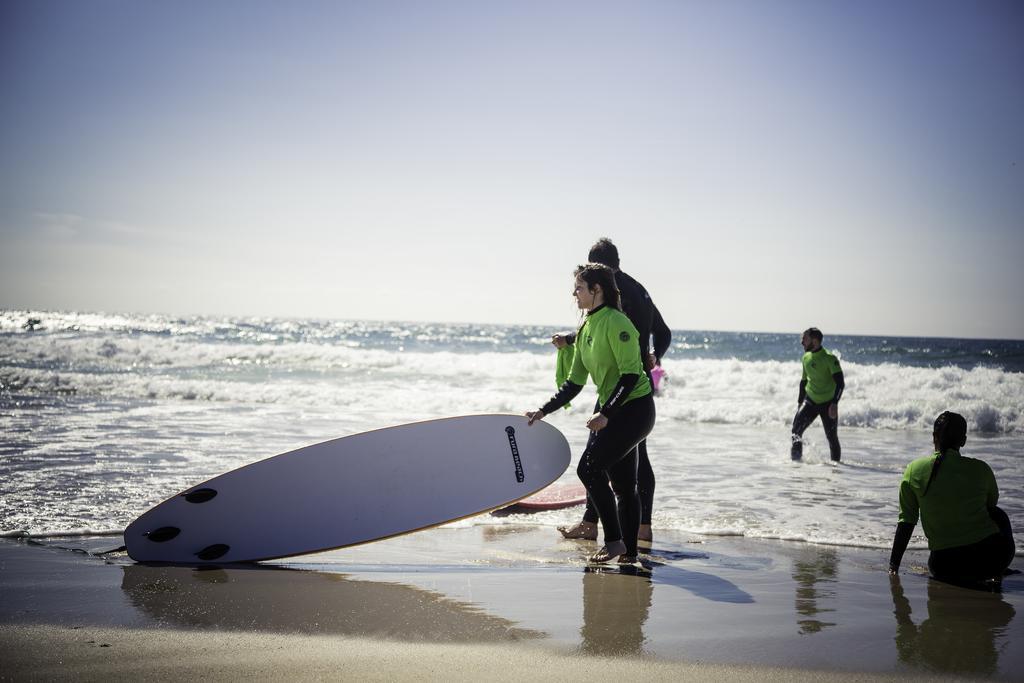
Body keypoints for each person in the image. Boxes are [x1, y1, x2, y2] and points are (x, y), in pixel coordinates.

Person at [527, 263, 655, 564]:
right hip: (614, 408)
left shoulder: (617, 323)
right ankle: (629, 554)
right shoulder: (587, 327)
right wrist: (544, 410)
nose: (575, 293)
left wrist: (607, 413)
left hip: (634, 409)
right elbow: (574, 383)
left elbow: (631, 376)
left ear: (596, 290)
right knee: (623, 486)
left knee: (589, 469)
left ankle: (613, 542)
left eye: (580, 288)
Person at [551, 238, 671, 544]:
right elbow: (664, 333)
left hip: (622, 385)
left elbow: (605, 326)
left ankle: (595, 526)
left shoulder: (615, 292)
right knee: (630, 456)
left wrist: (568, 338)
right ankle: (641, 527)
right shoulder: (639, 289)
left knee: (599, 458)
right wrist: (654, 355)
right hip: (638, 382)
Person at [888, 411, 1016, 584]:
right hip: (990, 561)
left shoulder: (913, 470)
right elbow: (990, 506)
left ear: (934, 437)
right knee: (998, 514)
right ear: (963, 440)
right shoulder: (981, 469)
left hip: (943, 567)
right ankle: (997, 574)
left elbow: (906, 523)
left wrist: (893, 567)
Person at [790, 327, 844, 461]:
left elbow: (840, 383)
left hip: (828, 403)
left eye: (804, 339)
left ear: (814, 340)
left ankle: (836, 470)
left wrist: (834, 403)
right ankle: (796, 464)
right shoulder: (805, 357)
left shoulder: (829, 358)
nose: (801, 342)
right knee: (796, 431)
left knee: (832, 438)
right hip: (810, 401)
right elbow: (803, 382)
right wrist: (799, 404)